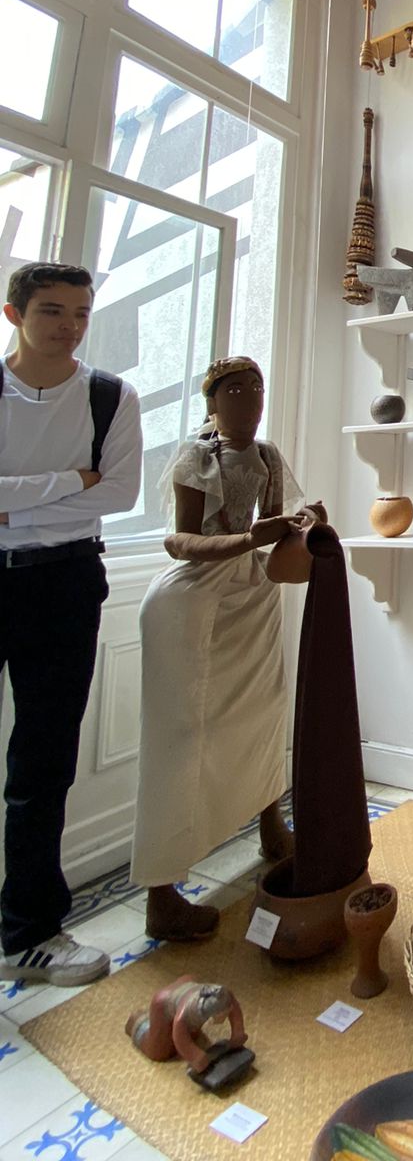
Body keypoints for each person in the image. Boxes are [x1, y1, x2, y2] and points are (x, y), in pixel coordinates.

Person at [131, 356, 315, 942]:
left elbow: (278, 523)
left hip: (252, 594)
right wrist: (244, 539)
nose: (250, 398)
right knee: (183, 736)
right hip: (195, 599)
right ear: (213, 401)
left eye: (257, 387)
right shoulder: (196, 457)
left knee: (261, 710)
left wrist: (301, 523)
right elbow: (178, 540)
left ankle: (269, 820)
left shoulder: (267, 457)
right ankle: (163, 893)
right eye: (235, 389)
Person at [0, 264, 142, 986]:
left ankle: (27, 933)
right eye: (52, 310)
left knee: (43, 759)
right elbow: (89, 488)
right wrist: (68, 483)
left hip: (65, 580)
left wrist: (14, 502)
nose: (69, 325)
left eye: (81, 312)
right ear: (13, 312)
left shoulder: (110, 395)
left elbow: (118, 493)